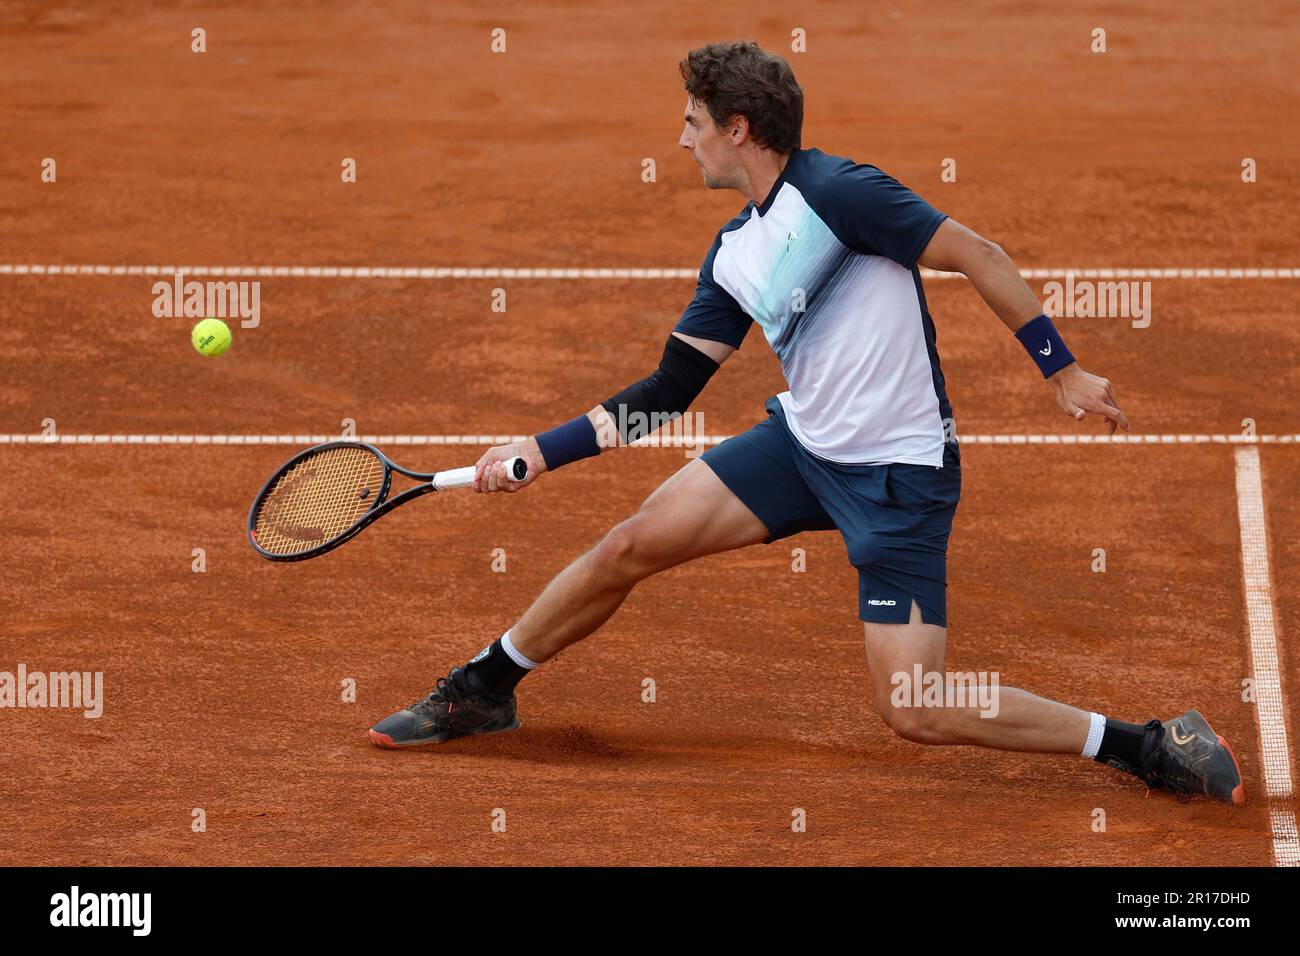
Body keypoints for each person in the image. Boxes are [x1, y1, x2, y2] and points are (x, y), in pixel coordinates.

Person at [370, 41, 1245, 806]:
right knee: (626, 545)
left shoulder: (842, 193)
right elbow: (672, 388)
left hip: (898, 477)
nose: (682, 139)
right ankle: (486, 687)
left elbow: (979, 255)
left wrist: (1062, 370)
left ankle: (1144, 745)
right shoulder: (733, 252)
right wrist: (540, 451)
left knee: (916, 707)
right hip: (800, 448)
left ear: (738, 127)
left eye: (692, 122)